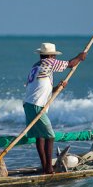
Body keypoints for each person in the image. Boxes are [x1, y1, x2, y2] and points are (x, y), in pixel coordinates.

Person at [23, 42, 87, 174]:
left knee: (40, 137)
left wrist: (58, 88)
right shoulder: (48, 63)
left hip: (29, 104)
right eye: (53, 56)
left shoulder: (37, 66)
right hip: (36, 105)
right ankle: (48, 169)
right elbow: (70, 64)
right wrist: (80, 57)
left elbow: (41, 88)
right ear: (50, 56)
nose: (54, 58)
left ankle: (46, 167)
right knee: (50, 136)